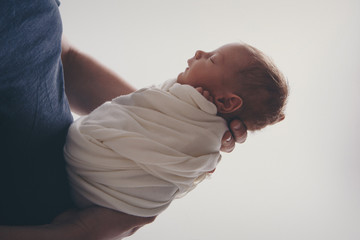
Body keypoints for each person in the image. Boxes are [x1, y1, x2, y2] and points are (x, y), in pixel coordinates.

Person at [0, 0, 247, 239]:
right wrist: (71, 234)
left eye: (213, 59)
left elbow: (62, 58)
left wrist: (173, 125)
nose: (199, 52)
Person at [64, 43, 288, 218]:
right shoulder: (189, 110)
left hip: (97, 174)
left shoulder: (206, 133)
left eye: (212, 58)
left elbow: (144, 107)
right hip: (103, 199)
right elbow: (145, 107)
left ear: (227, 102)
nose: (199, 52)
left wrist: (184, 100)